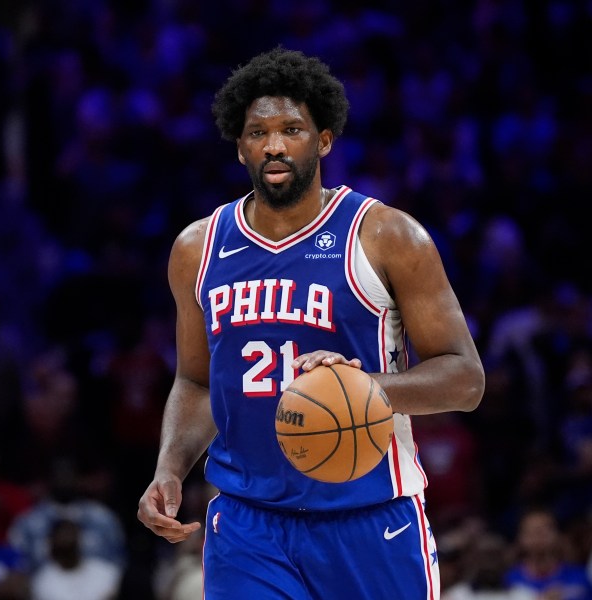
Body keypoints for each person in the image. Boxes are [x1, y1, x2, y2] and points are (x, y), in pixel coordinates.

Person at [137, 47, 485, 600]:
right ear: (239, 146)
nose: (274, 145)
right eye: (258, 132)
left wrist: (365, 388)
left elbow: (465, 380)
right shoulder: (197, 248)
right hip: (248, 524)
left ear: (323, 139)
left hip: (369, 518)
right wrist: (171, 469)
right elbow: (199, 383)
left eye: (292, 129)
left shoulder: (387, 237)